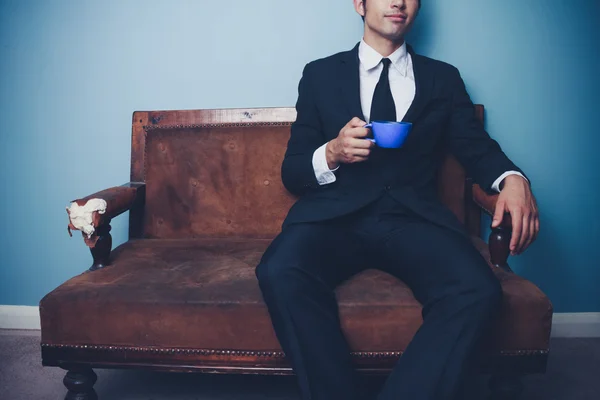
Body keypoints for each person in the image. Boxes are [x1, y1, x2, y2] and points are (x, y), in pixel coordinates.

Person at [255, 0, 540, 399]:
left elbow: (476, 148)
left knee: (477, 289)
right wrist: (332, 152)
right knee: (279, 269)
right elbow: (293, 171)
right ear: (360, 4)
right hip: (334, 218)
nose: (398, 2)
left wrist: (512, 179)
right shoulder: (319, 75)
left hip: (413, 220)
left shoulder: (442, 78)